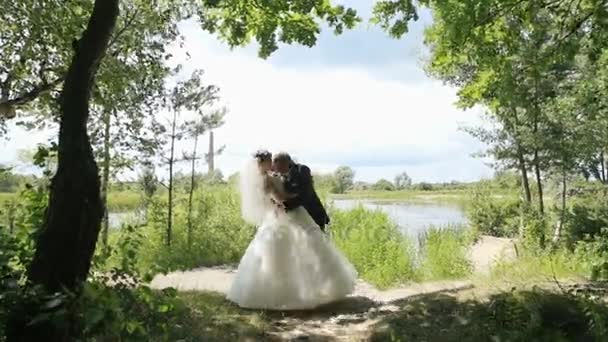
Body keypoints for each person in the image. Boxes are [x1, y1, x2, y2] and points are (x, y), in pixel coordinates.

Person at [226, 150, 357, 310]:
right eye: (270, 160)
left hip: (288, 214)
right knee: (290, 252)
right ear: (262, 162)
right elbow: (278, 198)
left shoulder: (296, 171)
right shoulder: (267, 178)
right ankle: (292, 292)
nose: (272, 164)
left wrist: (285, 199)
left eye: (274, 161)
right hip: (284, 215)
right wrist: (285, 200)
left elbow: (303, 194)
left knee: (308, 249)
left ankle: (315, 286)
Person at [272, 152, 330, 231]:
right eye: (276, 167)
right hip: (294, 218)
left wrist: (285, 206)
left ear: (287, 162)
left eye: (279, 166)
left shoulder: (302, 170)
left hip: (312, 214)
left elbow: (306, 194)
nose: (277, 170)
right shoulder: (278, 176)